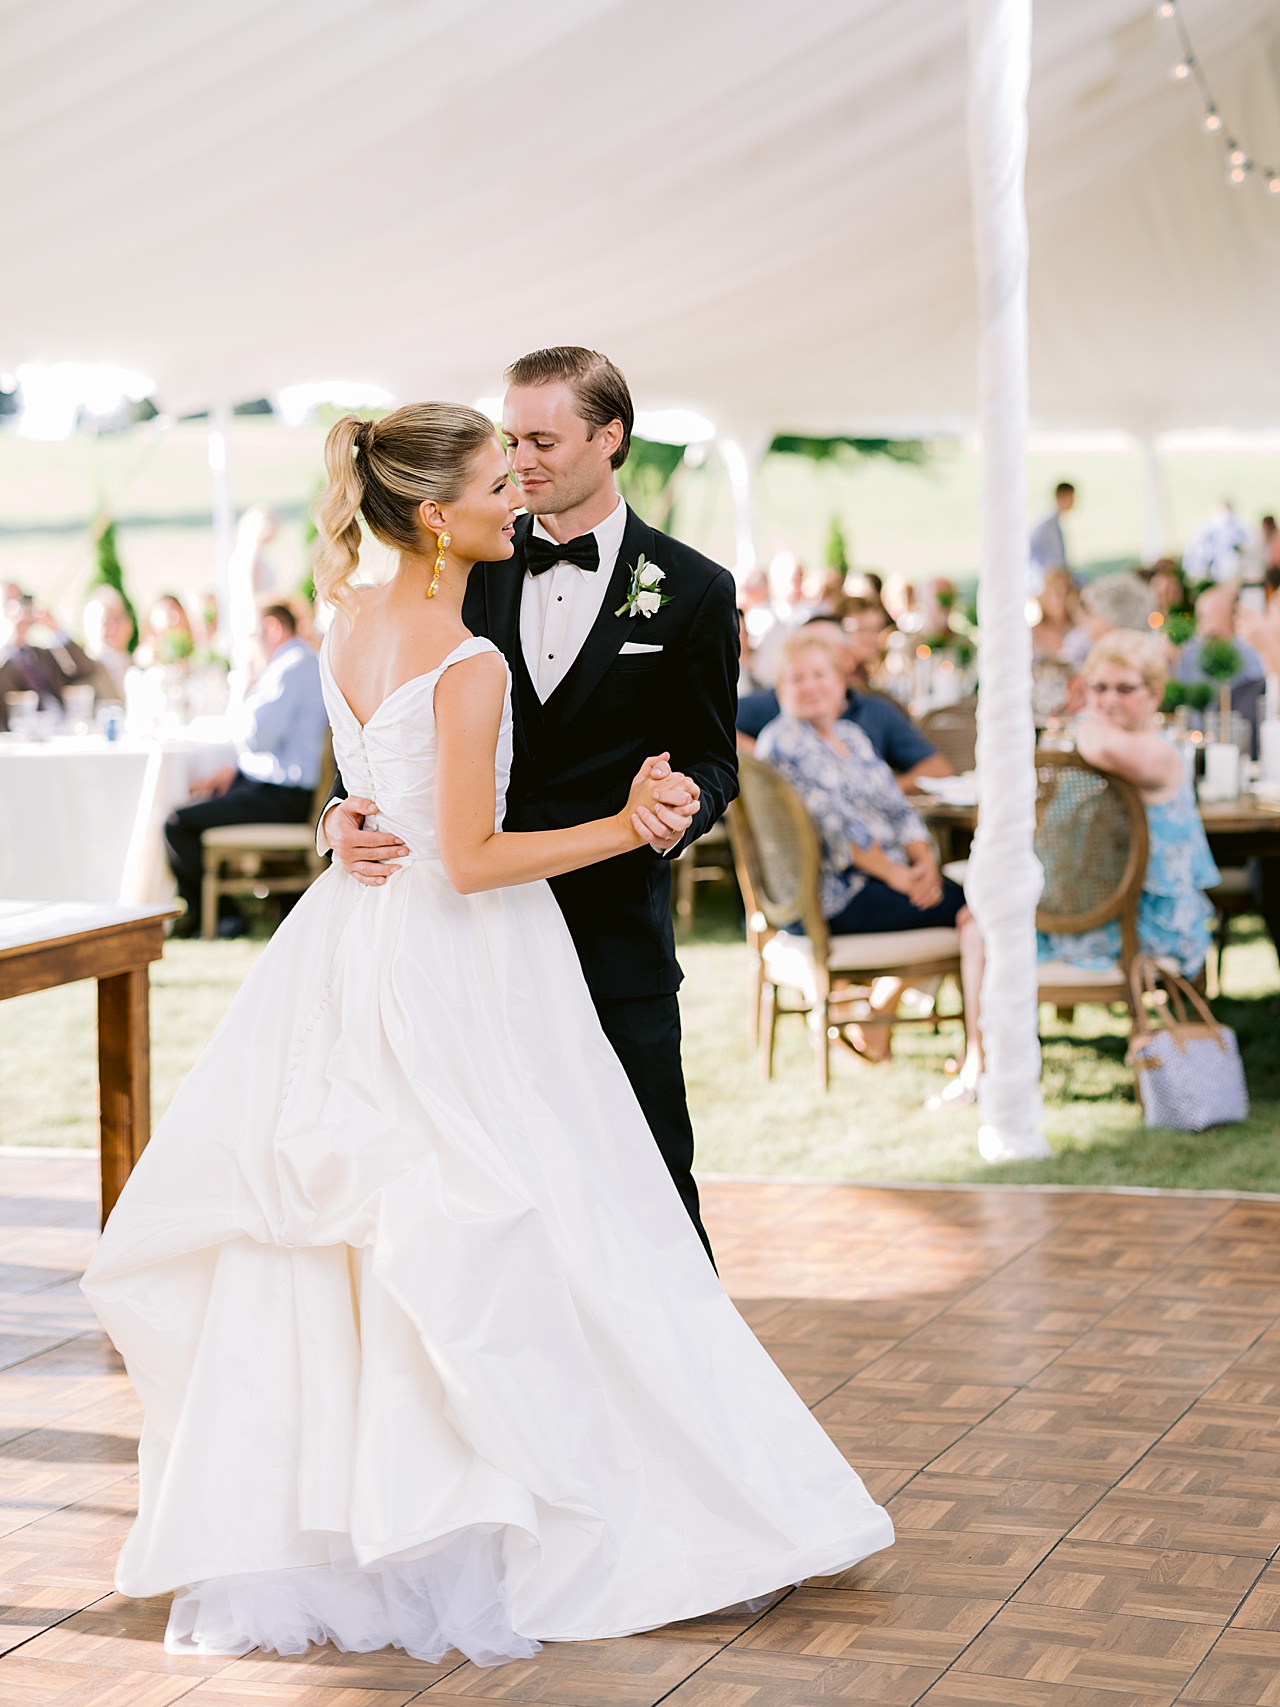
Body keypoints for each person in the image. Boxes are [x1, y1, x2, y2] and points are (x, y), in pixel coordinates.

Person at [81, 401, 893, 1668]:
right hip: (462, 954)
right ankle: (533, 1510)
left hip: (361, 946)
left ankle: (365, 1516)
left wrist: (350, 815)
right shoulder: (465, 656)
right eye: (489, 478)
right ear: (431, 514)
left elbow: (379, 777)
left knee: (397, 1230)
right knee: (520, 1214)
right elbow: (464, 857)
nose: (513, 492)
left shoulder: (351, 614)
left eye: (527, 461)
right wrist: (623, 824)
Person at [322, 349, 736, 1259]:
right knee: (495, 1202)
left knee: (655, 1192)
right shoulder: (473, 555)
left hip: (610, 936)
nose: (522, 463)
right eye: (510, 440)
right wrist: (336, 820)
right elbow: (384, 741)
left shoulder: (695, 588)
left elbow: (714, 753)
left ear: (610, 438)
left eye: (542, 440)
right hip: (465, 957)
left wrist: (679, 802)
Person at [756, 630, 983, 1074]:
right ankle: (979, 1050)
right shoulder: (785, 741)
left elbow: (898, 809)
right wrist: (900, 877)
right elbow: (834, 830)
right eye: (796, 679)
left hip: (881, 880)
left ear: (841, 682)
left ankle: (881, 1011)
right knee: (980, 912)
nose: (810, 686)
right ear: (781, 690)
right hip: (832, 895)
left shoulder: (851, 735)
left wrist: (925, 862)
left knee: (974, 905)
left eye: (819, 674)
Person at [1039, 630, 1218, 978]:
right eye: (1099, 687)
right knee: (977, 920)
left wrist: (1085, 718)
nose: (1109, 700)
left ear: (1154, 694)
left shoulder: (1160, 752)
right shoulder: (1097, 740)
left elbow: (1103, 747)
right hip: (1091, 905)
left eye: (1125, 688)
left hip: (1145, 921)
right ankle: (982, 1034)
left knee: (982, 926)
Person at [163, 602, 329, 934]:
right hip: (277, 788)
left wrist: (244, 687)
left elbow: (258, 737)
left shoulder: (292, 666)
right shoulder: (299, 663)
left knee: (177, 822)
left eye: (253, 635)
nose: (251, 644)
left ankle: (219, 915)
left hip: (285, 796)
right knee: (194, 807)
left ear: (273, 628)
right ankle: (218, 912)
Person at [738, 619, 952, 788]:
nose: (810, 684)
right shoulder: (780, 710)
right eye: (802, 650)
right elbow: (712, 727)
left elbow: (937, 768)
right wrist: (762, 763)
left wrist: (881, 790)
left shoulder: (870, 716)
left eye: (820, 668)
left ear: (846, 662)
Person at [0, 589, 116, 728]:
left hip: (59, 728)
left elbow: (87, 669)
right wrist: (9, 640)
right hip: (19, 736)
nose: (19, 610)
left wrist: (55, 628)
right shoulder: (3, 659)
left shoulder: (41, 655)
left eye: (23, 602)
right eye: (11, 604)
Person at [82, 586, 134, 696]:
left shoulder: (137, 665)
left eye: (117, 619)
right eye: (104, 622)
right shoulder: (84, 670)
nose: (112, 628)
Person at [1184, 500, 1248, 583]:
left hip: (1234, 579)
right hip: (1208, 580)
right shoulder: (1203, 531)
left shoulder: (1240, 530)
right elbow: (1194, 558)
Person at [1029, 481, 1075, 590]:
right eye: (1071, 497)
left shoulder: (1053, 524)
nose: (1073, 502)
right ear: (1061, 497)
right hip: (1048, 582)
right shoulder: (1047, 526)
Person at [1032, 567, 1084, 660]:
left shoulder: (1082, 630)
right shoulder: (1034, 632)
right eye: (1051, 593)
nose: (1056, 600)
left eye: (1061, 593)